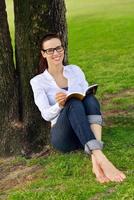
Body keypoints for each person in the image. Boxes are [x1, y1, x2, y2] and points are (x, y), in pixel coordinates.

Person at [30, 33, 126, 183]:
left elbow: (86, 97)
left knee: (90, 98)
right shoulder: (38, 81)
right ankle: (102, 159)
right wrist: (59, 105)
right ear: (43, 54)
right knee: (73, 103)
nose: (55, 53)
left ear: (63, 48)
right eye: (50, 50)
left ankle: (96, 157)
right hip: (64, 137)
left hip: (84, 130)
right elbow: (46, 115)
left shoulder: (74, 70)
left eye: (58, 48)